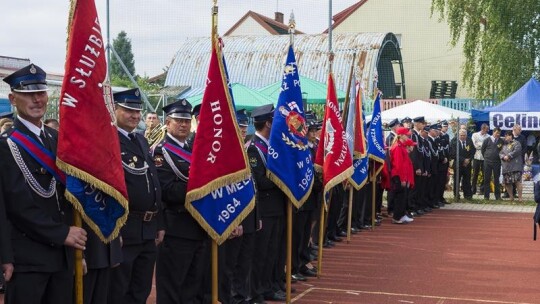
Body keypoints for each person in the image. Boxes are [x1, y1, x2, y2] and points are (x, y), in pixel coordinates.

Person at [0, 64, 87, 304]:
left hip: (63, 256)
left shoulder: (57, 140)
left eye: (40, 92)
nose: (37, 99)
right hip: (28, 259)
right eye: (28, 94)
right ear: (12, 98)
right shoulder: (6, 145)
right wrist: (62, 234)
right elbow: (17, 206)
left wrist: (74, 249)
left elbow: (68, 195)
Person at [108, 88, 164, 304]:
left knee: (140, 289)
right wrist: (115, 229)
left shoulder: (140, 140)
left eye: (137, 110)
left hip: (147, 229)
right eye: (128, 110)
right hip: (126, 227)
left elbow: (152, 182)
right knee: (119, 290)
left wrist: (159, 223)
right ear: (114, 109)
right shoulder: (109, 140)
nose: (134, 115)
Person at [153, 99, 208, 304]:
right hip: (176, 228)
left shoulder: (194, 150)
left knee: (192, 287)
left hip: (197, 225)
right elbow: (168, 190)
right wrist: (202, 187)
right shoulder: (161, 152)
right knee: (172, 286)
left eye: (186, 120)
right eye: (178, 120)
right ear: (168, 123)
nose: (183, 125)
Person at [248, 104, 287, 303]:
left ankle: (270, 286)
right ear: (268, 123)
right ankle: (256, 291)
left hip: (277, 207)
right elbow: (260, 181)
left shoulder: (272, 146)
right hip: (264, 208)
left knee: (274, 251)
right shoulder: (254, 149)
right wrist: (283, 178)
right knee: (261, 253)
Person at [389, 127, 415, 224]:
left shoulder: (400, 146)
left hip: (400, 175)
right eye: (406, 134)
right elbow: (399, 165)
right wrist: (402, 178)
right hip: (398, 176)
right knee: (399, 197)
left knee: (403, 197)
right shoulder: (397, 147)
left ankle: (401, 214)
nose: (408, 136)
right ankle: (397, 217)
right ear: (401, 135)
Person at [450, 129, 475, 200]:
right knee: (457, 180)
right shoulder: (454, 141)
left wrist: (469, 159)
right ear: (458, 135)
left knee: (467, 180)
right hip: (458, 164)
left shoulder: (469, 141)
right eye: (461, 135)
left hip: (467, 164)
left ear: (466, 135)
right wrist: (463, 160)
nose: (462, 137)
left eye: (464, 135)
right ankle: (456, 195)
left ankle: (467, 195)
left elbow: (473, 151)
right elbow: (453, 154)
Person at [481, 127, 504, 200]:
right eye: (497, 133)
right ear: (493, 132)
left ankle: (497, 196)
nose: (498, 134)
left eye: (499, 133)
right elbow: (483, 150)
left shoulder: (501, 141)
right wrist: (487, 157)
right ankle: (486, 196)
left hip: (497, 162)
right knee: (487, 179)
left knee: (496, 179)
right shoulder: (487, 140)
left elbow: (502, 150)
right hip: (487, 162)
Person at [500, 131, 523, 201]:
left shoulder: (516, 143)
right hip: (506, 167)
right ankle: (511, 197)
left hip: (515, 166)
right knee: (507, 183)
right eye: (505, 136)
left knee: (517, 182)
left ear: (510, 136)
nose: (505, 137)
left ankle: (520, 198)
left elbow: (517, 151)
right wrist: (503, 157)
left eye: (506, 136)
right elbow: (500, 153)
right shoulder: (504, 145)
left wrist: (509, 156)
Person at [471, 124, 489, 194]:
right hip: (476, 157)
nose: (488, 131)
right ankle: (473, 189)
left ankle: (482, 190)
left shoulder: (488, 137)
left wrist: (479, 144)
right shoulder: (475, 135)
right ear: (483, 129)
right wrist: (483, 145)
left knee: (485, 174)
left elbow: (487, 146)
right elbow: (474, 145)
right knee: (475, 174)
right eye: (487, 129)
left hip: (484, 158)